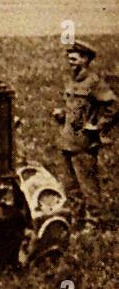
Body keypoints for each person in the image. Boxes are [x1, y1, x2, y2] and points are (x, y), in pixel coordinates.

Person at [53, 39, 117, 228]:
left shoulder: (94, 82)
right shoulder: (72, 80)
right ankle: (77, 219)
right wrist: (62, 113)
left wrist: (97, 126)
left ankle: (95, 221)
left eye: (76, 57)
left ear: (86, 59)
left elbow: (114, 106)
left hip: (83, 142)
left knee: (87, 184)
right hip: (67, 140)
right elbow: (75, 108)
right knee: (70, 185)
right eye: (70, 57)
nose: (71, 60)